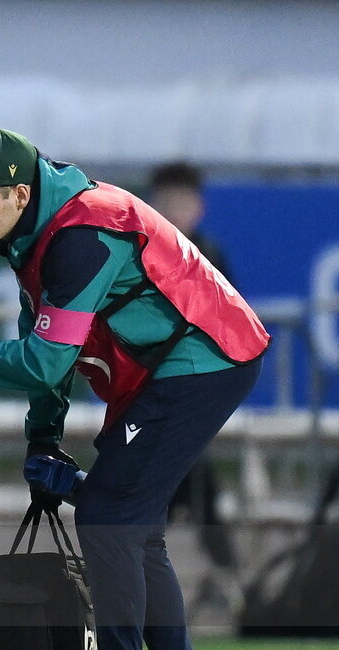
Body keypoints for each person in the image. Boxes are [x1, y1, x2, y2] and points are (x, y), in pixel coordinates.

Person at [0, 127, 269, 650]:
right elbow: (42, 342)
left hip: (203, 360)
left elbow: (46, 361)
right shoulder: (38, 229)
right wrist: (42, 441)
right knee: (130, 526)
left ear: (19, 193)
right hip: (186, 362)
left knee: (110, 515)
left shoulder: (80, 235)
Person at [149, 162, 244, 616]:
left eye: (182, 202)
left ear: (199, 207)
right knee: (174, 484)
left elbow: (233, 326)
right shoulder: (139, 252)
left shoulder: (211, 257)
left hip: (190, 396)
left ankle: (220, 577)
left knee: (179, 483)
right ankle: (226, 577)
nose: (173, 210)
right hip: (147, 397)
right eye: (165, 200)